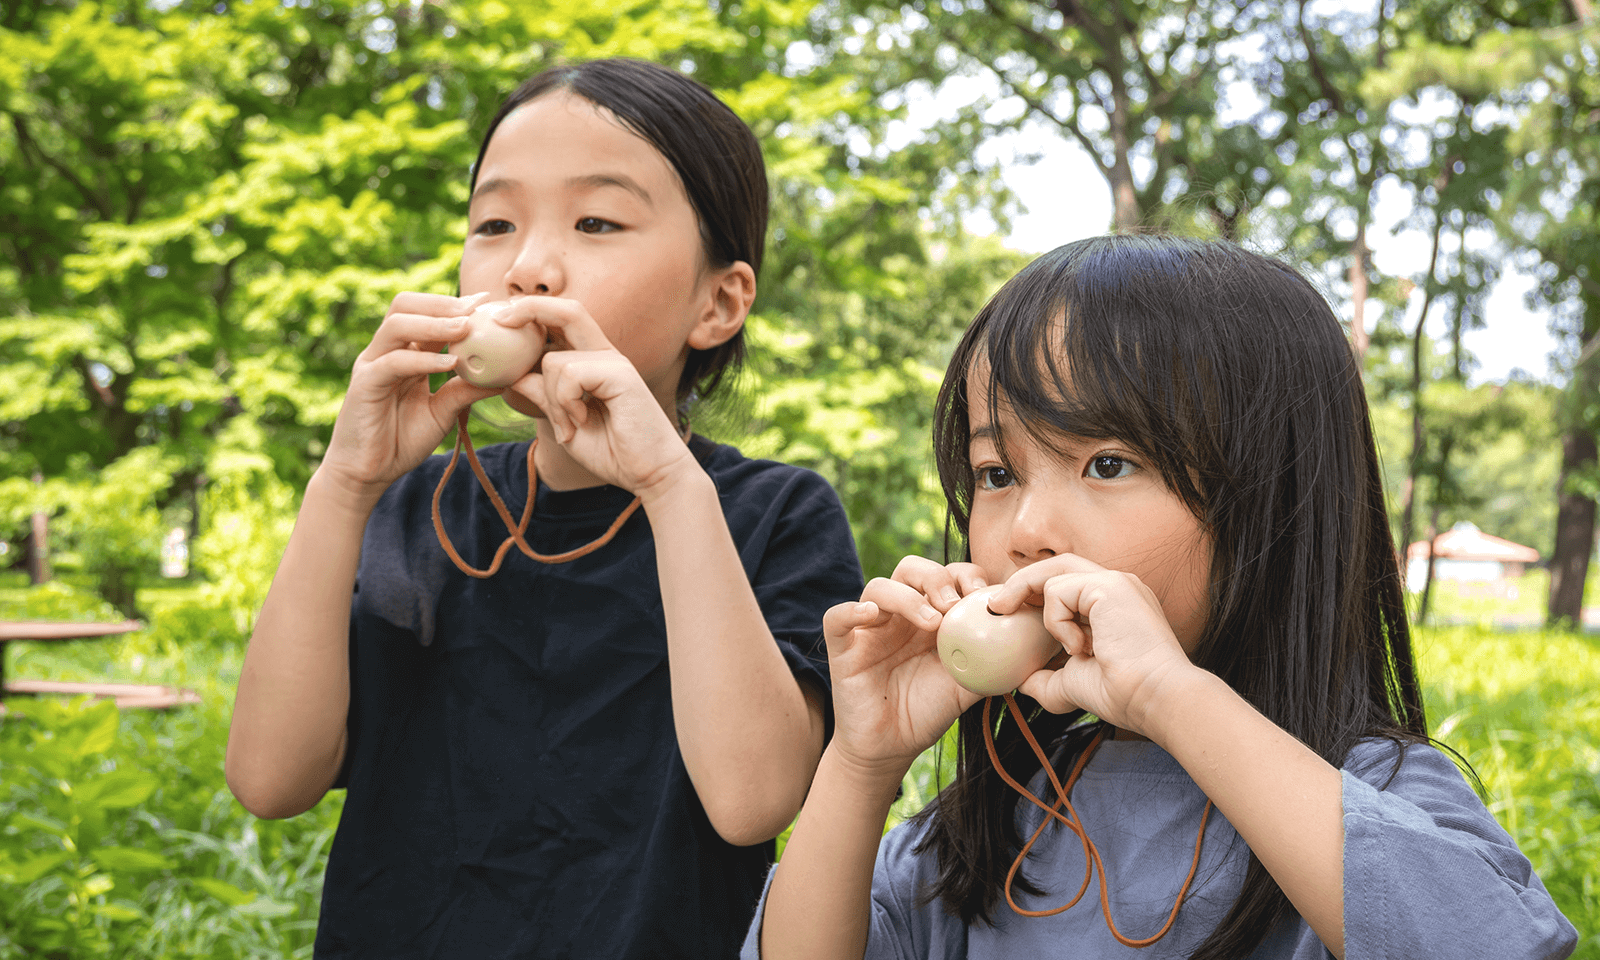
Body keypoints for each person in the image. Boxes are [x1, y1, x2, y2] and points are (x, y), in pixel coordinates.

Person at [746, 236, 1578, 960]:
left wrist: (1170, 695)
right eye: (997, 474)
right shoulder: (990, 823)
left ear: (1270, 506)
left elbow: (1487, 942)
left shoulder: (1372, 791)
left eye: (1107, 463)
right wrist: (861, 766)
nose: (1026, 530)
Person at [224, 58, 865, 959]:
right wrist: (344, 483)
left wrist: (668, 486)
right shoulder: (411, 507)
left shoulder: (772, 513)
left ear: (719, 302)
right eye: (494, 222)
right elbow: (270, 777)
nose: (527, 266)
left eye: (596, 220)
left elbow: (754, 798)